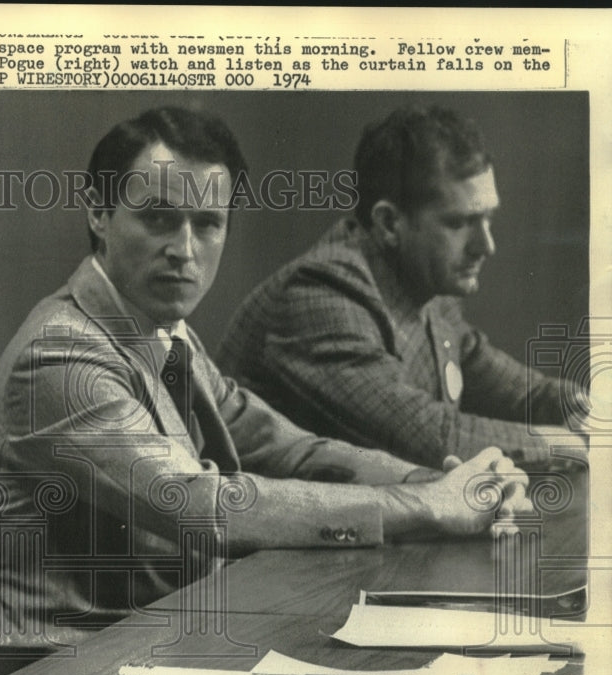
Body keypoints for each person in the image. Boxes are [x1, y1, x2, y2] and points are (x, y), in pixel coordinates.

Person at [0, 107, 531, 642]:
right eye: (158, 218)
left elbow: (292, 449)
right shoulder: (61, 355)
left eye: (208, 224)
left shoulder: (162, 330)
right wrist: (428, 505)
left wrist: (428, 482)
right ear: (99, 214)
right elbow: (205, 505)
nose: (184, 250)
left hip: (169, 637)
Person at [218, 105, 589, 469]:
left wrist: (587, 407)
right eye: (459, 223)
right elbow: (432, 439)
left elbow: (521, 392)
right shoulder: (322, 297)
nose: (486, 245)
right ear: (390, 223)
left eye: (488, 218)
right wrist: (565, 442)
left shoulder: (428, 291)